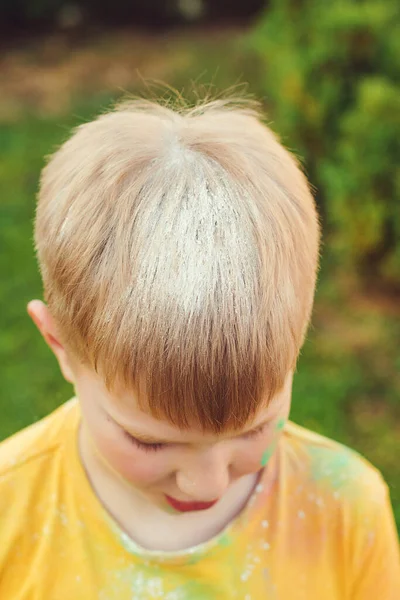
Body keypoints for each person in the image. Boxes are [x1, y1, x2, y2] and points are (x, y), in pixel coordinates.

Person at [0, 95, 399, 600]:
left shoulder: (345, 507)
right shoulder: (10, 511)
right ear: (59, 345)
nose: (206, 485)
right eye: (152, 441)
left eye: (254, 427)